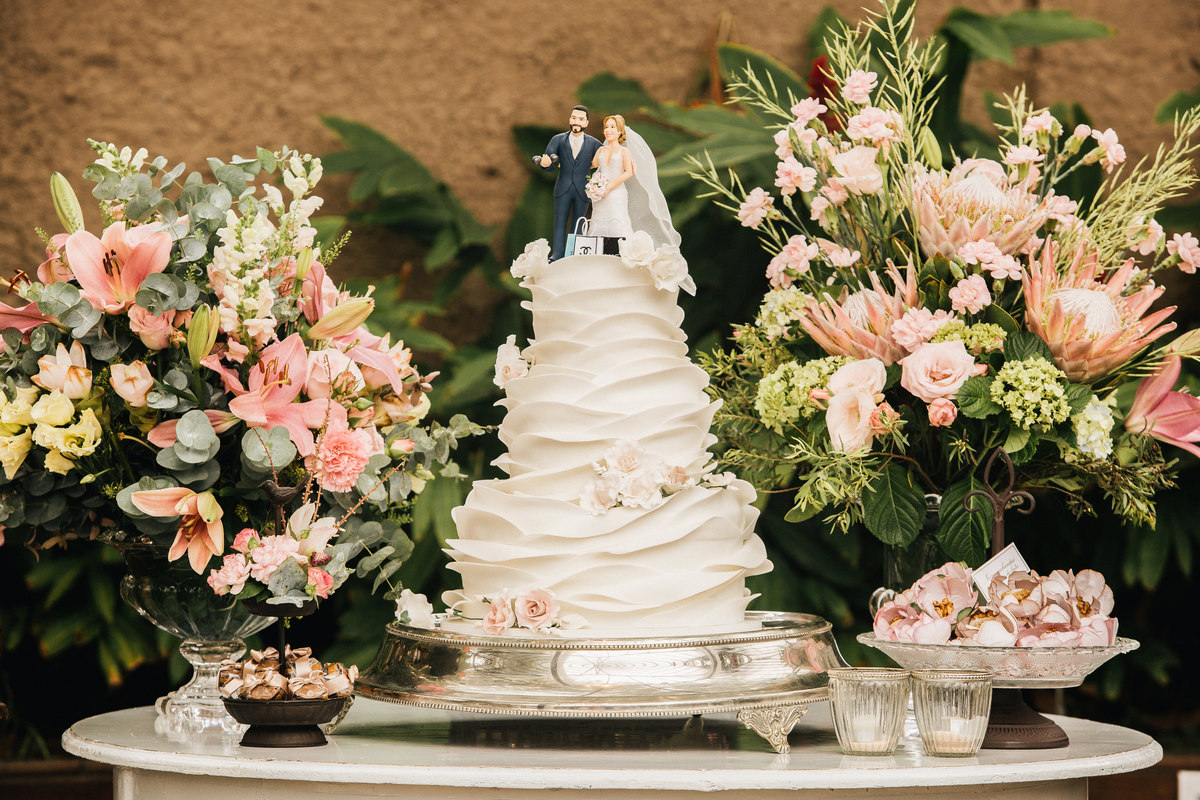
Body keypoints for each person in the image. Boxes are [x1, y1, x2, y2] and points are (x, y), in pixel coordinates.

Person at [535, 105, 602, 261]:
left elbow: (607, 157)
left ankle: (573, 253)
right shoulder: (557, 140)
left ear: (586, 123)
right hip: (563, 187)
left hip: (583, 189)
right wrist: (546, 163)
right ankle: (557, 254)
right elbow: (549, 162)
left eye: (580, 119)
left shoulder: (594, 144)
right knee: (560, 221)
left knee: (579, 222)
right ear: (569, 119)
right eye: (573, 118)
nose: (576, 122)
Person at [588, 115, 635, 239]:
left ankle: (619, 249)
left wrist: (609, 187)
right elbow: (592, 165)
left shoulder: (624, 151)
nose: (608, 130)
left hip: (616, 192)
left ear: (620, 131)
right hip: (600, 194)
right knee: (599, 218)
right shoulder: (601, 150)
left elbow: (628, 172)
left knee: (616, 219)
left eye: (612, 127)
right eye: (606, 127)